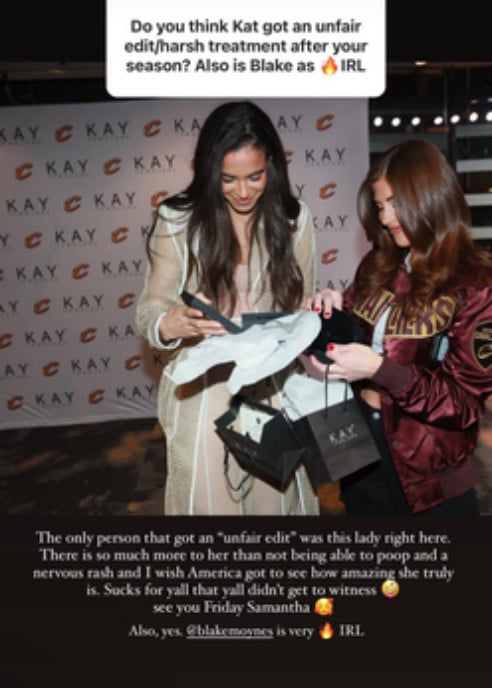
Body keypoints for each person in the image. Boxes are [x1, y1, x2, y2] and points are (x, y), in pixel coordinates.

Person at [136, 100, 320, 515]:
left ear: (272, 165)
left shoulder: (295, 220)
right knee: (209, 505)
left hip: (271, 386)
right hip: (203, 389)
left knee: (275, 504)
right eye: (228, 179)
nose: (242, 191)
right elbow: (150, 309)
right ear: (208, 170)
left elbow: (303, 305)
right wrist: (171, 323)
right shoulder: (178, 219)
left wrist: (320, 311)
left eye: (255, 176)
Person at [307, 139, 492, 516]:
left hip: (429, 470)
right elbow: (357, 336)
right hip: (357, 444)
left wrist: (381, 371)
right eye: (380, 206)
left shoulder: (476, 283)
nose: (387, 218)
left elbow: (464, 404)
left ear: (432, 199)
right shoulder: (378, 264)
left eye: (397, 204)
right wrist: (330, 311)